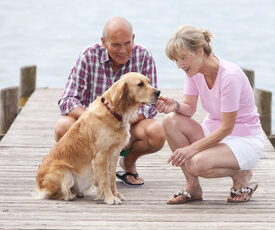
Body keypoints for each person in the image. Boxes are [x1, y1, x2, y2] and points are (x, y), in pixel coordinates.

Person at [156, 25, 264, 204]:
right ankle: (193, 187)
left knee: (195, 164)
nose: (179, 65)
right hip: (214, 133)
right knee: (170, 121)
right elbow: (189, 108)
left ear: (199, 50)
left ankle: (241, 173)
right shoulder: (193, 72)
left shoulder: (230, 77)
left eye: (183, 58)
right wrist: (174, 105)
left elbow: (227, 128)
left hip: (244, 140)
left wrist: (191, 149)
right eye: (176, 60)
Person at [55, 16, 165, 187]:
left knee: (156, 132)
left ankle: (128, 164)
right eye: (116, 45)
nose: (123, 50)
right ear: (104, 42)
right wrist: (96, 120)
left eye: (127, 43)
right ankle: (89, 170)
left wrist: (120, 123)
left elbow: (151, 106)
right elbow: (67, 100)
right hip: (91, 125)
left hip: (129, 123)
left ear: (133, 38)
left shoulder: (143, 55)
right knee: (63, 126)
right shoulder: (88, 55)